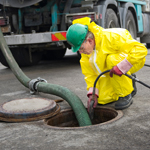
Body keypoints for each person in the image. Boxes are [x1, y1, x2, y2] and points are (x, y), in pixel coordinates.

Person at [66, 17, 147, 110]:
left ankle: (125, 95)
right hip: (114, 67)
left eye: (81, 48)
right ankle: (129, 80)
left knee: (112, 60)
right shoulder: (86, 53)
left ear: (89, 40)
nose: (80, 52)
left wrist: (122, 66)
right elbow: (90, 74)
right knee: (103, 99)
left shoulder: (111, 37)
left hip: (133, 61)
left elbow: (141, 50)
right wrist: (93, 94)